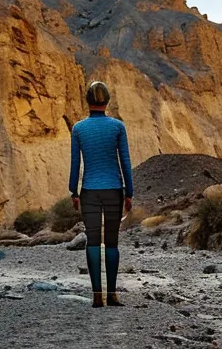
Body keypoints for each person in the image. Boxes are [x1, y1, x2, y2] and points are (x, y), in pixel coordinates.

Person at [67, 81, 133, 308]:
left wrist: (73, 191)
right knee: (112, 243)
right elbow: (125, 162)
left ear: (88, 101)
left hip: (89, 192)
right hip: (114, 190)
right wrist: (129, 193)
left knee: (93, 242)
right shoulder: (117, 127)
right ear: (107, 101)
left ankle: (97, 295)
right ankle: (113, 294)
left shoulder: (78, 129)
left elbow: (76, 162)